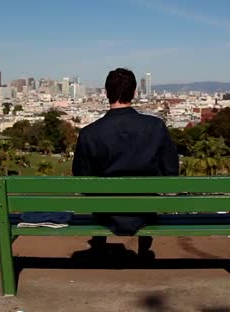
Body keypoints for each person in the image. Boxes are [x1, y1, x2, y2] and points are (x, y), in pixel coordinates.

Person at [72, 68, 179, 258]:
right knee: (146, 199)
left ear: (106, 93)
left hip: (105, 212)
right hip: (145, 211)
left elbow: (81, 177)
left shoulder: (89, 133)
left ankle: (99, 246)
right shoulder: (155, 126)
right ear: (135, 92)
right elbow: (171, 171)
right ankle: (144, 249)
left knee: (99, 199)